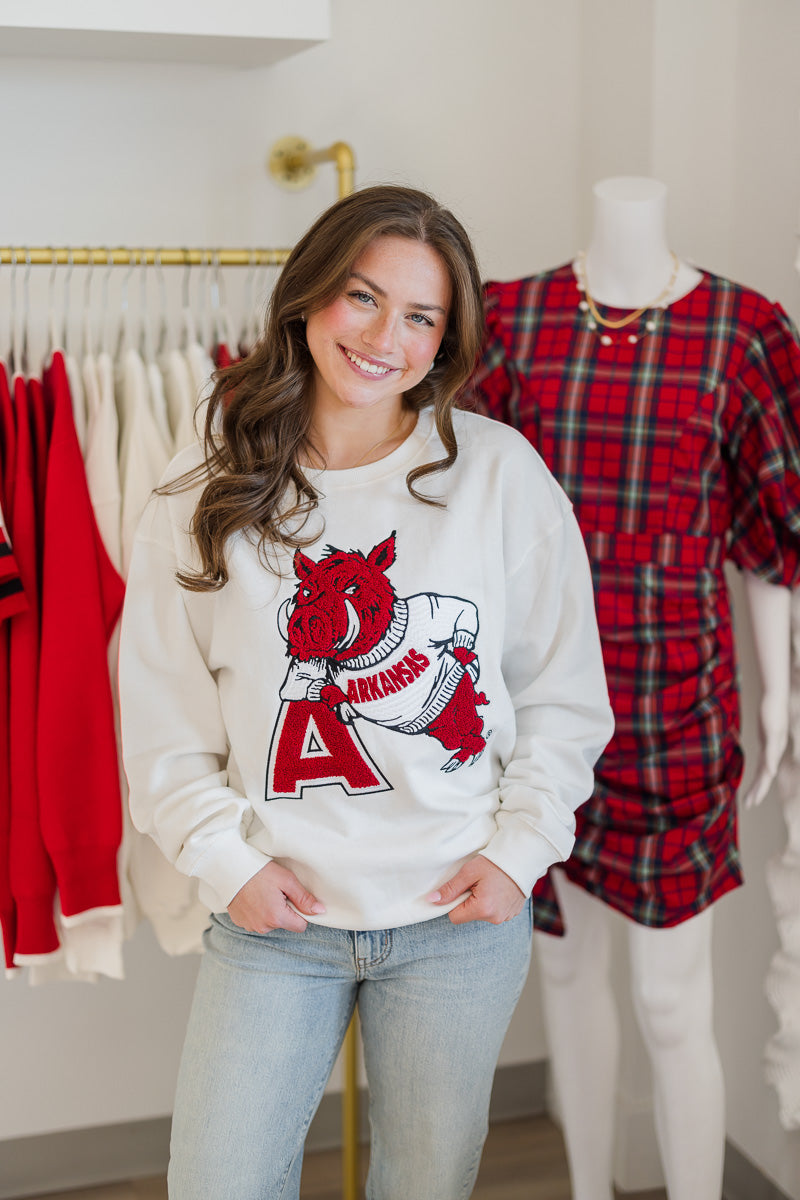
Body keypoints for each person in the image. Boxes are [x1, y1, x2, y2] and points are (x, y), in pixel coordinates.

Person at [118, 184, 613, 1200]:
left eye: (421, 316)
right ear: (308, 296)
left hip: (454, 923)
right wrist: (225, 861)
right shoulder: (207, 482)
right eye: (362, 297)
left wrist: (517, 853)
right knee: (217, 1181)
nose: (386, 337)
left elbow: (562, 696)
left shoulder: (498, 476)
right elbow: (162, 712)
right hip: (274, 924)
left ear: (446, 340)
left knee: (425, 1184)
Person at [467, 175, 800, 1200]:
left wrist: (775, 693)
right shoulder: (510, 320)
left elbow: (771, 528)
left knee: (670, 1000)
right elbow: (469, 512)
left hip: (675, 707)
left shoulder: (744, 332)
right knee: (566, 974)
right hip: (539, 705)